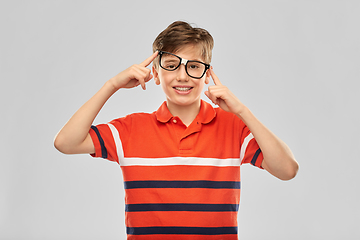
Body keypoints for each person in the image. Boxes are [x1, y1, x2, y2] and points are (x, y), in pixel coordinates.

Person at [54, 21, 299, 239]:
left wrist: (242, 111)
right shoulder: (130, 129)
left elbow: (287, 169)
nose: (182, 76)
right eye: (171, 65)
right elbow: (66, 142)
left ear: (207, 75)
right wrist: (112, 85)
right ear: (156, 74)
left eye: (193, 66)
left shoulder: (233, 127)